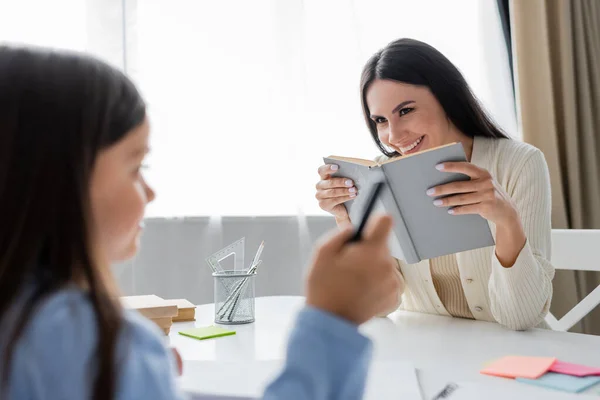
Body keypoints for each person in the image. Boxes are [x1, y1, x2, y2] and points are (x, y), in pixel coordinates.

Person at [0, 46, 402, 400]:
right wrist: (332, 321)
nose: (150, 192)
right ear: (57, 181)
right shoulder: (89, 345)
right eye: (136, 167)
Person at [315, 38, 555, 331]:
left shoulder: (519, 163)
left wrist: (506, 221)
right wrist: (349, 220)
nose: (394, 135)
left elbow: (522, 317)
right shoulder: (381, 175)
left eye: (406, 111)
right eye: (380, 120)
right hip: (426, 356)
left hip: (511, 362)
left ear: (446, 97)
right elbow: (381, 306)